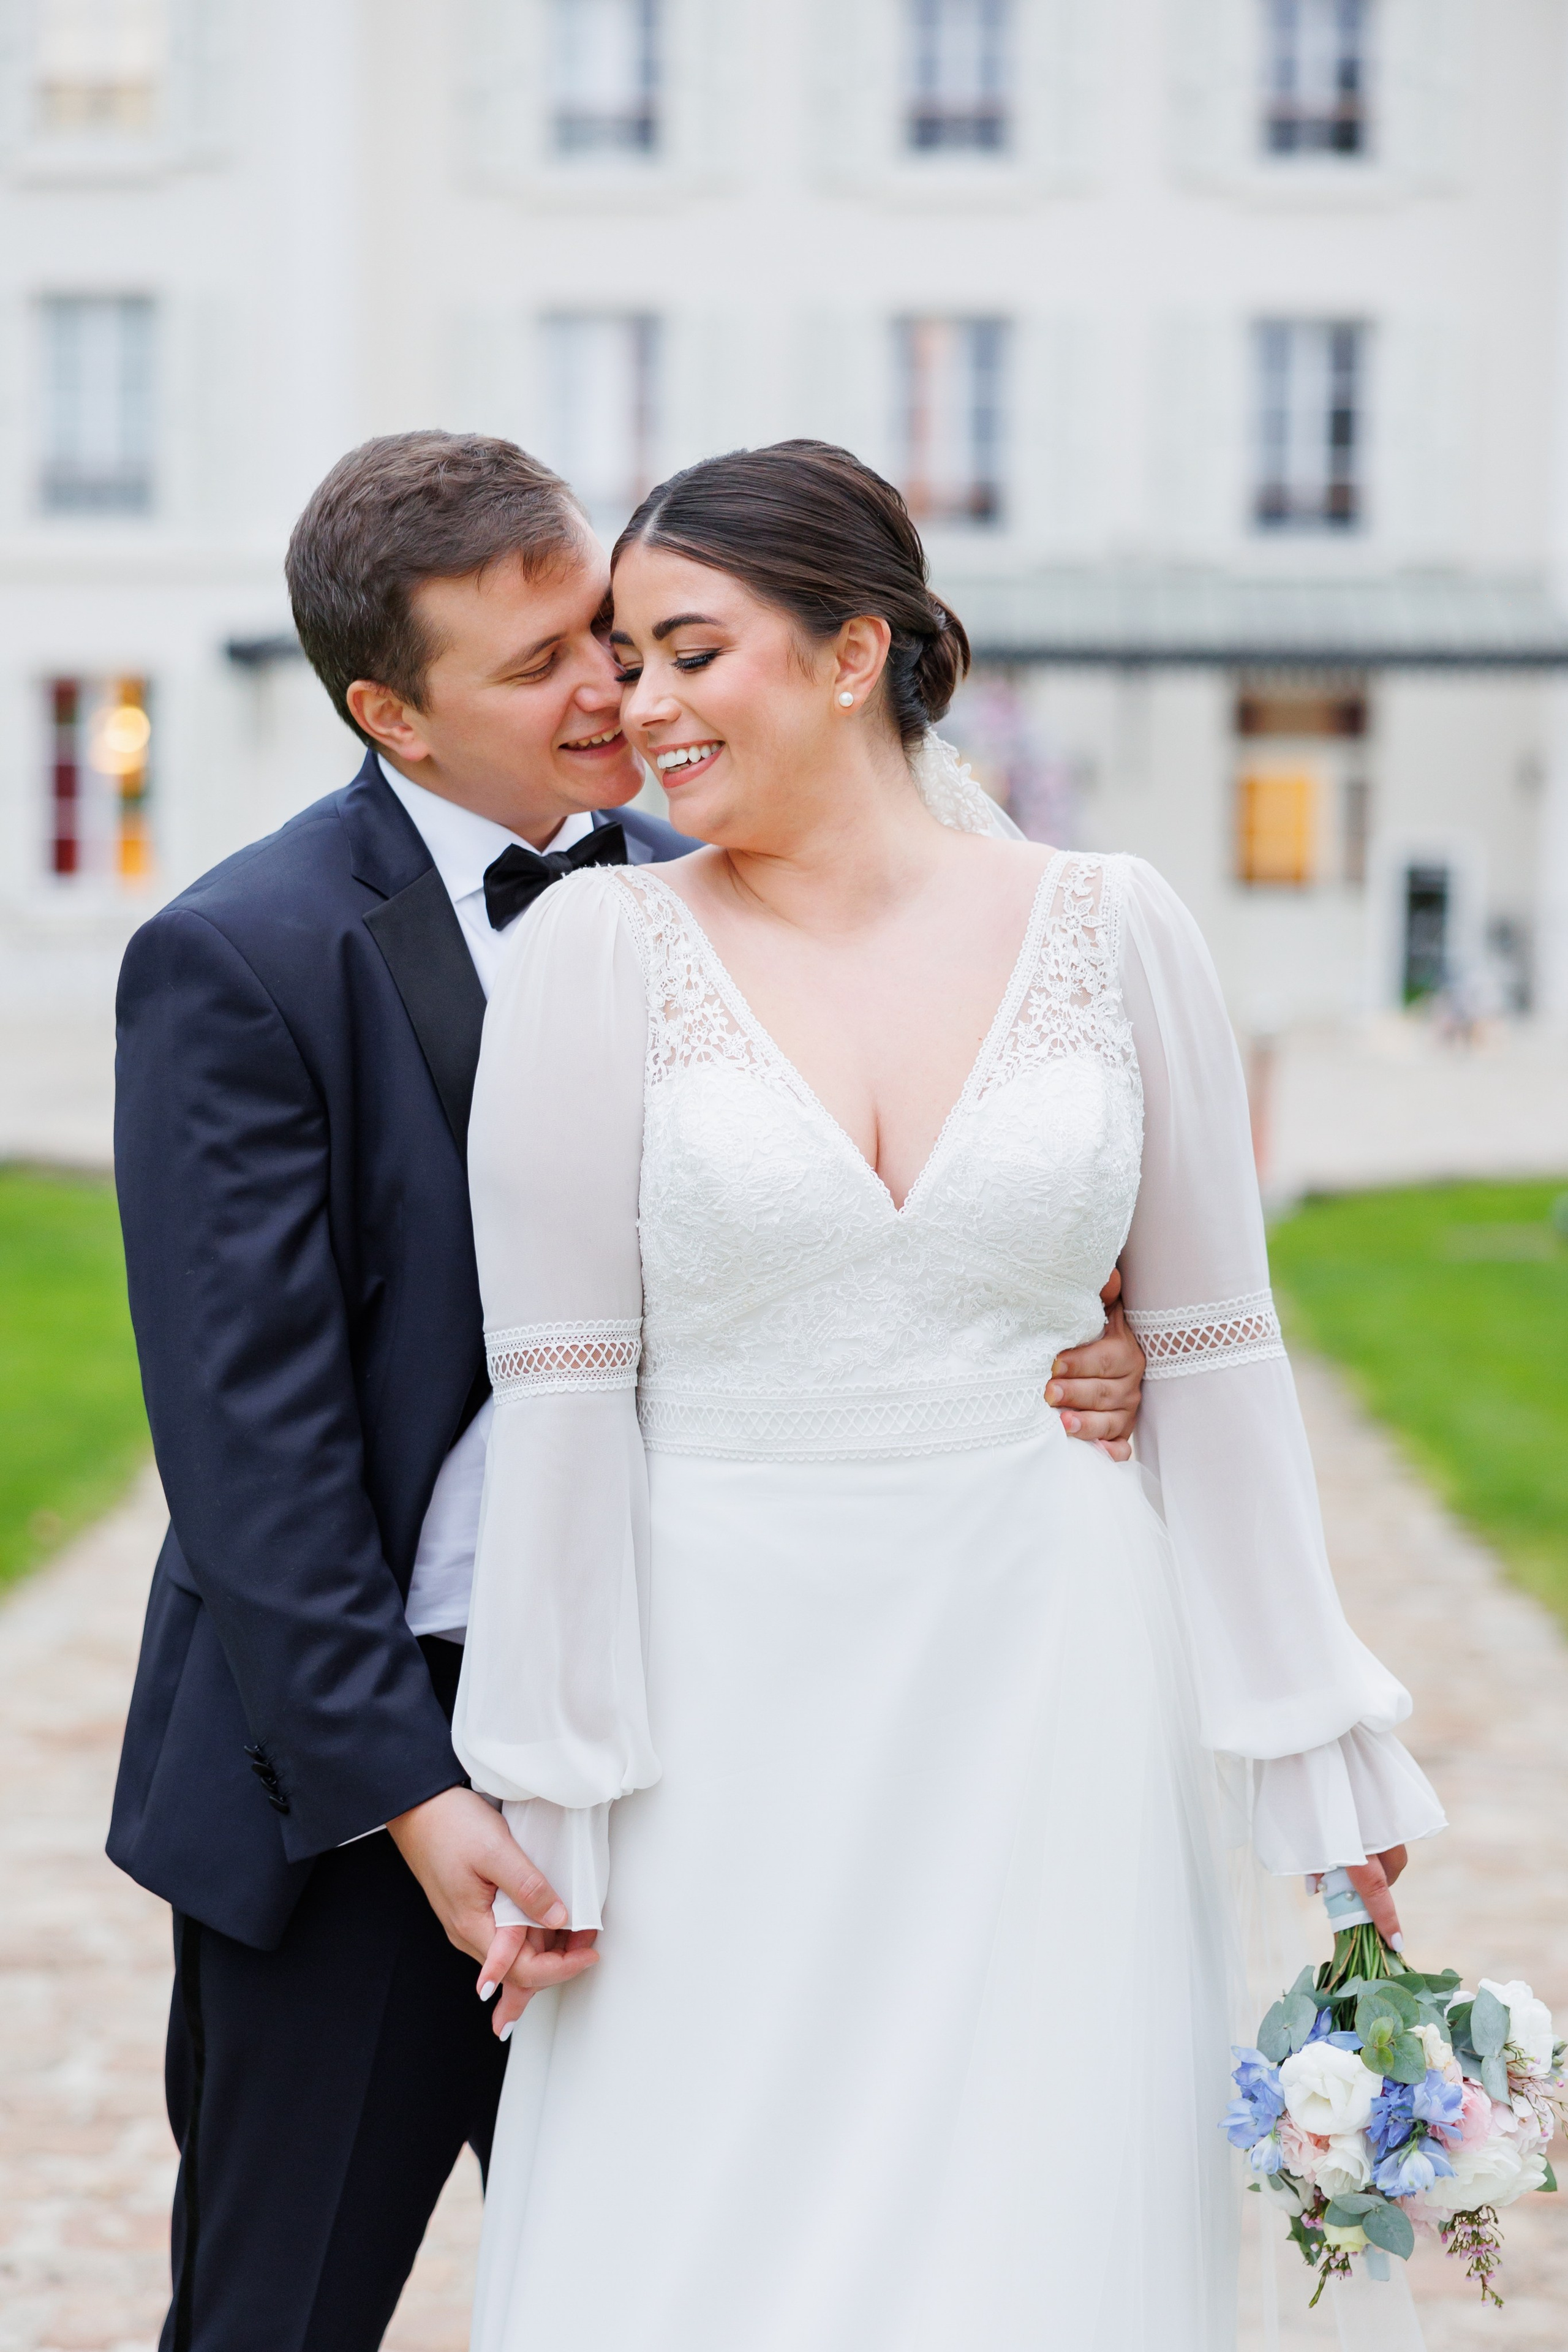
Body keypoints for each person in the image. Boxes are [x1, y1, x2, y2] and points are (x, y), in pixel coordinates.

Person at [107, 430, 1149, 2352]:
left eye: (610, 629)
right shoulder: (241, 959)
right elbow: (253, 1457)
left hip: (700, 1740)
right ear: (391, 716)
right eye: (539, 668)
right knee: (282, 2310)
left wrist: (1092, 1334)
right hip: (366, 1779)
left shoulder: (735, 885)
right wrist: (416, 1802)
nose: (616, 688)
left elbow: (914, 1215)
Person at [454, 441, 1447, 2351]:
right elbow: (562, 1396)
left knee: (1036, 2206)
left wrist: (1309, 1745)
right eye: (625, 662)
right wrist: (555, 1779)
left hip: (1049, 1662)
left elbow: (1218, 1354)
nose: (638, 705)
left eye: (688, 652)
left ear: (854, 655)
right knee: (709, 2212)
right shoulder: (595, 952)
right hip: (720, 1682)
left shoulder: (1116, 925)